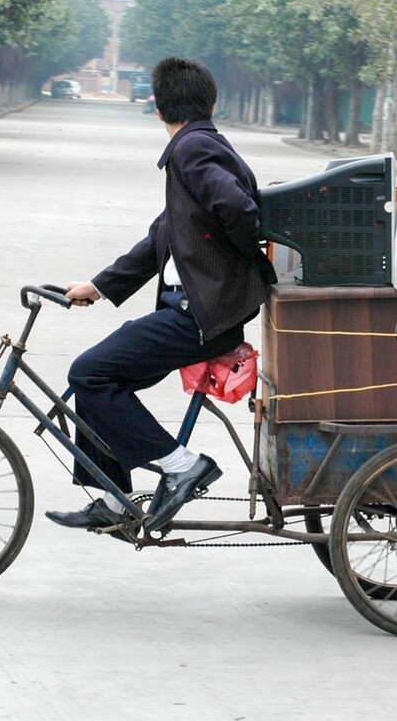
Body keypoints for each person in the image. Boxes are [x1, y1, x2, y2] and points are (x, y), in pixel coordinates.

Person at [45, 56, 276, 536]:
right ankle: (114, 497)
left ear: (157, 108)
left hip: (199, 316)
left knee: (88, 373)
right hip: (192, 311)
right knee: (102, 380)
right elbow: (160, 239)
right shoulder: (195, 150)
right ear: (211, 102)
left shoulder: (191, 150)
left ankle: (181, 465)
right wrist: (100, 286)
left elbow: (238, 209)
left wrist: (232, 268)